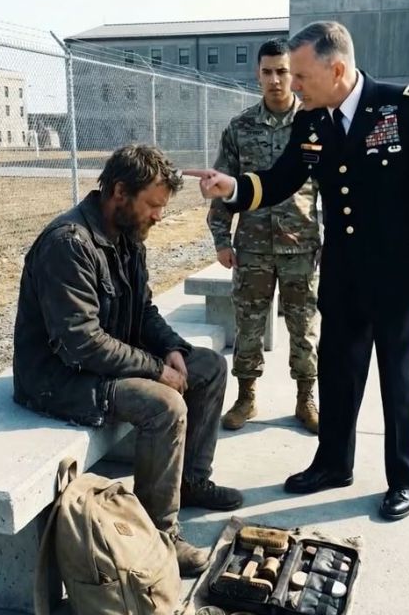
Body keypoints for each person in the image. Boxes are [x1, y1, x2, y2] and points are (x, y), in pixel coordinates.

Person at [186, 21, 409, 521]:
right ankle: (334, 463)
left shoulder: (403, 105)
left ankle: (403, 479)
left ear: (336, 70)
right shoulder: (313, 120)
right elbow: (281, 179)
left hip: (400, 275)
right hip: (343, 273)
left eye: (301, 76)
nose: (292, 85)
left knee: (399, 381)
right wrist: (233, 188)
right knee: (338, 374)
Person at [13, 145, 243, 577]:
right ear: (120, 192)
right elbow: (81, 343)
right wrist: (155, 370)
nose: (159, 216)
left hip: (98, 362)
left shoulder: (127, 235)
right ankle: (158, 537)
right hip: (57, 378)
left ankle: (190, 482)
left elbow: (144, 311)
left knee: (209, 367)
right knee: (164, 405)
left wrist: (171, 348)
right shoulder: (68, 244)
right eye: (153, 205)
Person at [207, 39, 321, 433]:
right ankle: (246, 397)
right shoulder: (239, 129)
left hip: (300, 246)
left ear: (293, 74)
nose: (275, 80)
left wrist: (332, 242)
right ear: (257, 74)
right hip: (252, 247)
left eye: (282, 71)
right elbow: (222, 186)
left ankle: (306, 398)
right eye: (267, 71)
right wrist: (221, 239)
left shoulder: (314, 123)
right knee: (249, 325)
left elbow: (330, 186)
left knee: (304, 327)